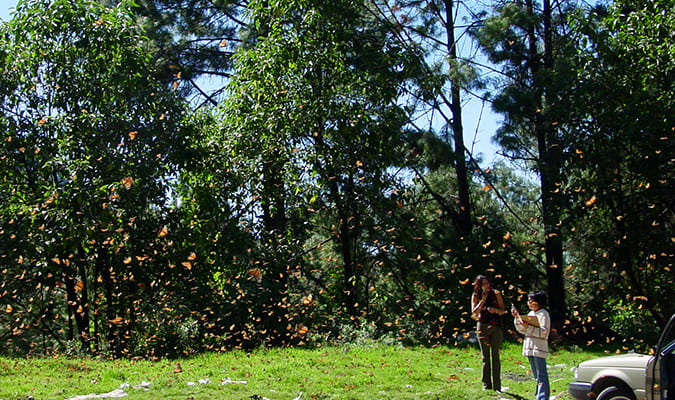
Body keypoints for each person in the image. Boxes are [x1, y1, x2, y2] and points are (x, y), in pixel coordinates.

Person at [512, 291, 551, 400]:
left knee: (541, 374)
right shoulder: (531, 314)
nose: (529, 303)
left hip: (539, 348)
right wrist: (517, 318)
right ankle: (539, 395)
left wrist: (528, 327)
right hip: (530, 347)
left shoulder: (543, 314)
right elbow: (522, 330)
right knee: (536, 375)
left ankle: (543, 397)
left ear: (538, 302)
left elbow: (544, 333)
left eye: (531, 300)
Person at [471, 275, 506, 392]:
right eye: (483, 284)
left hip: (496, 326)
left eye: (487, 283)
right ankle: (486, 385)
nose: (486, 286)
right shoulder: (476, 295)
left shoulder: (496, 293)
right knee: (485, 356)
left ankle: (497, 386)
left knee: (495, 355)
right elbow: (474, 312)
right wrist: (483, 300)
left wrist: (495, 310)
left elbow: (503, 310)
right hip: (483, 325)